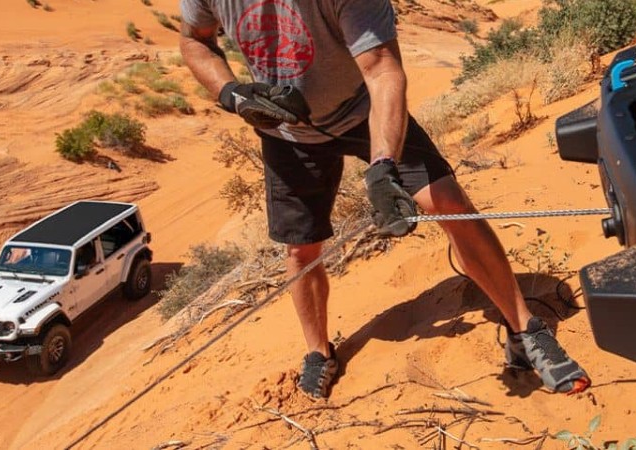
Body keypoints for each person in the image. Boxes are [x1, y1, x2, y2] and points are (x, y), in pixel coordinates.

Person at [179, 0, 589, 399]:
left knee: (447, 202)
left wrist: (382, 165)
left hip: (363, 109)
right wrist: (231, 93)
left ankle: (524, 330)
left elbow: (382, 72)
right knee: (301, 250)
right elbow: (194, 40)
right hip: (287, 132)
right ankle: (319, 353)